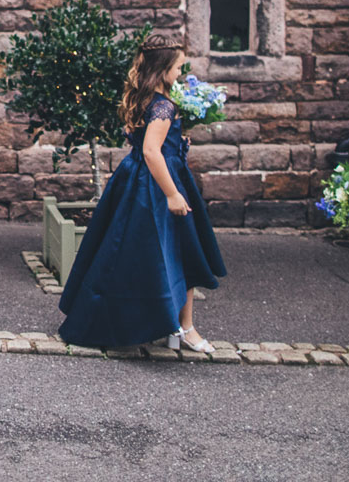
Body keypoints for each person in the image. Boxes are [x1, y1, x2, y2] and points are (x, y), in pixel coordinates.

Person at [56, 34, 225, 350]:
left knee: (146, 254)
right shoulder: (162, 106)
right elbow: (151, 151)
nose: (180, 74)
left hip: (137, 181)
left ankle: (178, 325)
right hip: (157, 186)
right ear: (162, 70)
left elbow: (149, 143)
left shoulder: (145, 100)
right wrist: (173, 194)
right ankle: (184, 328)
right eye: (177, 68)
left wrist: (178, 142)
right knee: (182, 251)